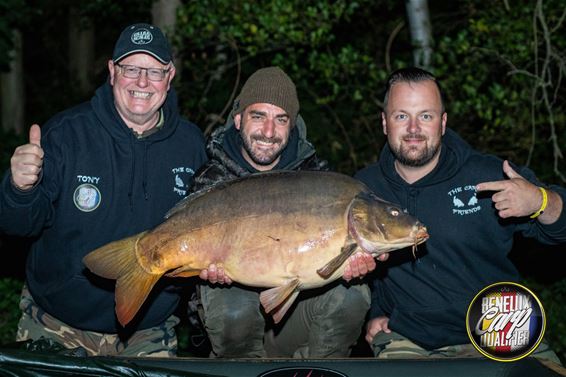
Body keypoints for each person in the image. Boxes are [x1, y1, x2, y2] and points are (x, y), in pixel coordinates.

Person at [0, 23, 208, 357]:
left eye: (154, 71)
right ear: (112, 72)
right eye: (131, 69)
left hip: (148, 329)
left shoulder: (191, 145)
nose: (142, 82)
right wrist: (20, 189)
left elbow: (204, 230)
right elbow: (18, 227)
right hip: (58, 323)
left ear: (170, 77)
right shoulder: (67, 135)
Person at [355, 67, 566, 362]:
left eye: (425, 116)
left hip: (500, 330)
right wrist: (376, 311)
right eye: (402, 116)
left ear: (442, 123)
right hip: (411, 338)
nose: (414, 128)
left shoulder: (490, 174)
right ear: (384, 123)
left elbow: (560, 227)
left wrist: (542, 201)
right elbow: (363, 264)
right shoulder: (364, 188)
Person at [190, 66, 382, 358]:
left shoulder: (316, 177)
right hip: (232, 324)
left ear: (292, 125)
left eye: (281, 119)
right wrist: (204, 274)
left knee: (353, 296)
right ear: (238, 119)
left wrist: (353, 266)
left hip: (296, 316)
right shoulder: (213, 177)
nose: (269, 132)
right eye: (259, 116)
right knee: (235, 308)